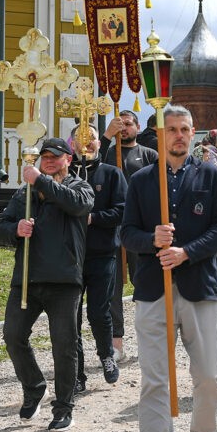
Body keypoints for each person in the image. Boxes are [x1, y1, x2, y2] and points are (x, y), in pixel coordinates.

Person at [120, 104, 217, 432]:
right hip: (154, 290)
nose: (180, 135)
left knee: (210, 376)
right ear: (160, 133)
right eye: (172, 129)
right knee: (155, 380)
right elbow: (126, 234)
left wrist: (186, 251)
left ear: (194, 133)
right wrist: (153, 240)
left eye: (185, 129)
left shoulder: (211, 175)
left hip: (201, 287)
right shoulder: (142, 180)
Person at [0, 137, 95, 432]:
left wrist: (39, 181)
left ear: (68, 160)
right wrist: (16, 229)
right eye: (44, 157)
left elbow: (76, 205)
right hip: (27, 279)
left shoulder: (80, 187)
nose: (49, 160)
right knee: (13, 335)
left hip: (64, 281)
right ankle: (35, 386)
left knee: (64, 345)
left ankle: (64, 407)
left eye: (55, 156)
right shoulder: (25, 193)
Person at [69, 123, 127, 393]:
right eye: (80, 137)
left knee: (98, 311)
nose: (86, 142)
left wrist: (93, 218)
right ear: (71, 144)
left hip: (103, 253)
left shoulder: (112, 174)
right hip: (69, 256)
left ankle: (106, 356)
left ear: (99, 143)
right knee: (71, 316)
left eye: (91, 137)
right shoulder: (65, 174)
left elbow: (122, 210)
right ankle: (76, 372)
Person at [101, 109, 158, 362]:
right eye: (119, 124)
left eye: (128, 124)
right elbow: (91, 165)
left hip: (140, 229)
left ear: (137, 126)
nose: (123, 128)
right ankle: (116, 343)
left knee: (145, 283)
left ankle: (151, 340)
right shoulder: (108, 153)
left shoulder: (149, 155)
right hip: (112, 228)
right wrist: (106, 136)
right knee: (112, 287)